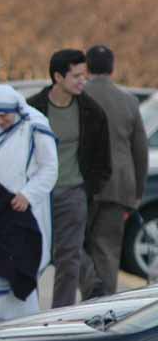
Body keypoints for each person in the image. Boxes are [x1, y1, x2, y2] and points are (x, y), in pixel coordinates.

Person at [27, 49, 111, 308]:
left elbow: (102, 160)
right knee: (34, 252)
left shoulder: (91, 112)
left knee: (69, 257)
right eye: (76, 76)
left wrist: (88, 191)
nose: (82, 81)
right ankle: (22, 310)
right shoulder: (32, 109)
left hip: (73, 193)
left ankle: (59, 315)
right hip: (39, 193)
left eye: (84, 76)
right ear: (57, 77)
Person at [0, 85, 58, 324]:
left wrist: (27, 194)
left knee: (21, 266)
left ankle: (22, 324)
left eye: (4, 115)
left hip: (23, 211)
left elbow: (49, 168)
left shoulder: (36, 124)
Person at [80, 45, 148, 299]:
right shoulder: (129, 101)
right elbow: (139, 151)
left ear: (86, 68)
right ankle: (104, 304)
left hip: (82, 185)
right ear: (112, 68)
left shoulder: (77, 96)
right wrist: (137, 192)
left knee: (71, 243)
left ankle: (89, 285)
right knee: (107, 249)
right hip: (119, 187)